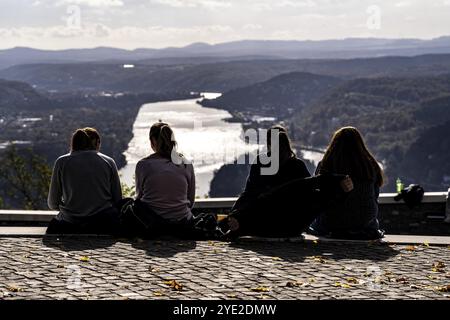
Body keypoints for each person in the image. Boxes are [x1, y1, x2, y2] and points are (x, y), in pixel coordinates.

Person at [221, 125, 354, 238]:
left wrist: (234, 213)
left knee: (264, 201)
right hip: (292, 225)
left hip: (263, 222)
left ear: (268, 144)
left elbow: (249, 193)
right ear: (287, 143)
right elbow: (311, 193)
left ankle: (238, 225)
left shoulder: (261, 163)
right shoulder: (298, 165)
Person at [309, 126, 385, 240]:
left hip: (331, 223)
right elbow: (374, 195)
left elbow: (319, 196)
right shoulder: (370, 165)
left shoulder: (326, 165)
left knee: (313, 224)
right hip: (366, 223)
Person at [46, 127, 122, 234]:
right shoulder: (108, 162)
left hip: (70, 222)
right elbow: (118, 199)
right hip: (103, 222)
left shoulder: (62, 162)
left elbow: (52, 203)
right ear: (97, 142)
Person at [129, 122, 196, 237]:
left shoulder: (144, 164)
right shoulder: (186, 163)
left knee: (127, 205)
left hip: (151, 223)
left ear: (153, 141)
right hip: (183, 221)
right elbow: (190, 200)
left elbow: (139, 198)